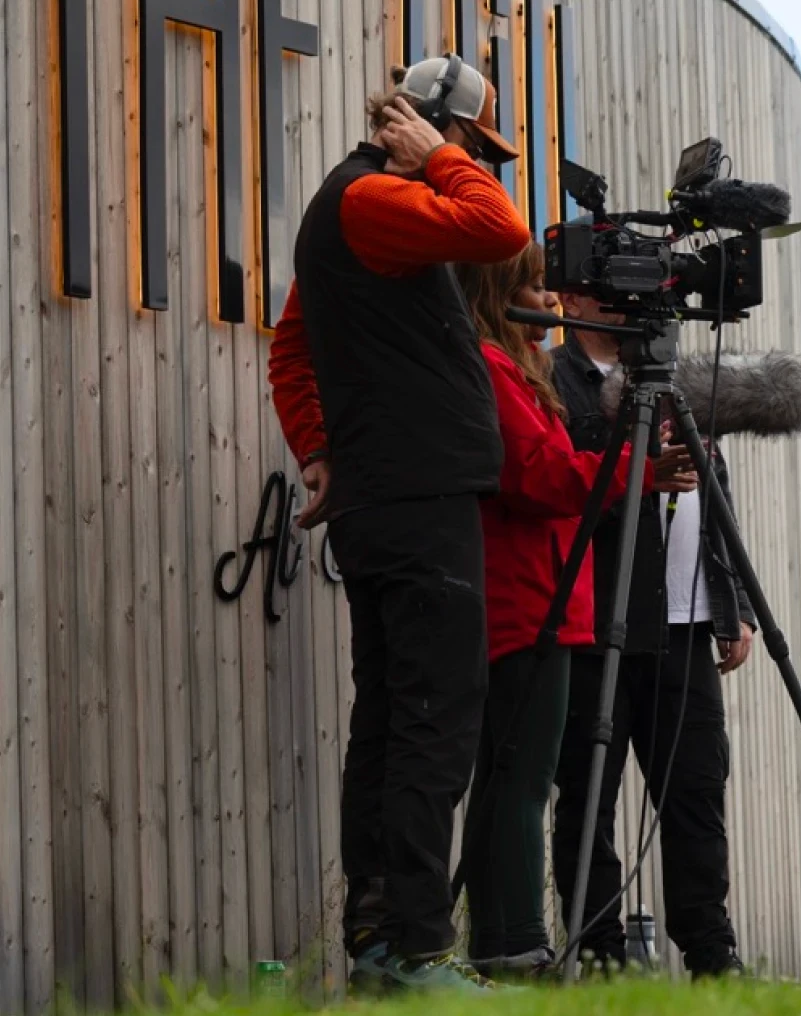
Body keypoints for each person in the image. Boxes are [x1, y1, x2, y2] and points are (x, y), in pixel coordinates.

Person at [284, 55, 527, 993]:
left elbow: (293, 343)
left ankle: (382, 945)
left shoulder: (348, 205)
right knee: (434, 721)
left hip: (386, 495)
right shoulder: (376, 197)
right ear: (431, 124)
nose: (480, 164)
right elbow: (500, 230)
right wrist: (438, 158)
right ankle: (420, 949)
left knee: (391, 723)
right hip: (419, 498)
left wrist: (316, 447)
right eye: (474, 143)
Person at [451, 245, 698, 980]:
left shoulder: (516, 369)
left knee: (515, 777)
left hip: (543, 598)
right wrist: (639, 471)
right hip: (528, 600)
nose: (551, 302)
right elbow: (540, 475)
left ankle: (505, 940)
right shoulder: (495, 368)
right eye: (534, 288)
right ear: (498, 294)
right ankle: (516, 943)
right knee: (521, 779)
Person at [549, 291, 757, 979]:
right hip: (597, 625)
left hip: (687, 626)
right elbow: (565, 491)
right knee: (589, 797)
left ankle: (711, 952)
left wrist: (734, 608)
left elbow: (715, 496)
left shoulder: (673, 378)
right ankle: (600, 953)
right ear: (574, 296)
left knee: (696, 793)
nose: (633, 304)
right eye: (613, 290)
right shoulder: (556, 381)